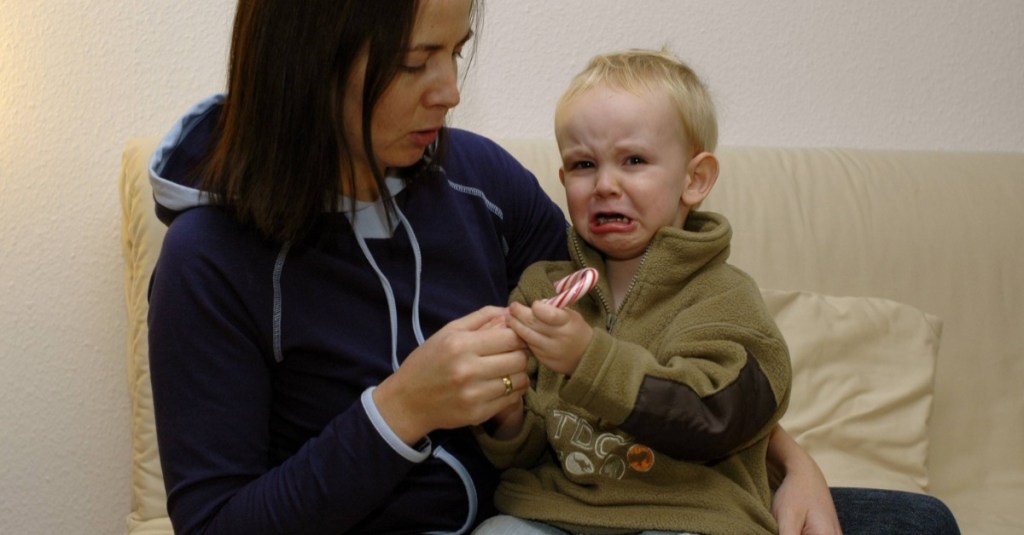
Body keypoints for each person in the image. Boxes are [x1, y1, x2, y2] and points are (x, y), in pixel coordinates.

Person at [145, 1, 958, 534]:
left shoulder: (478, 180)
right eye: (415, 62)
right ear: (311, 62)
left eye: (455, 55)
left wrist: (788, 458)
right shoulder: (210, 261)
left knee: (919, 525)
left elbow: (629, 324)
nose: (449, 94)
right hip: (514, 518)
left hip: (585, 502)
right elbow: (219, 523)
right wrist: (399, 410)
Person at [473, 49, 790, 535]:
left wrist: (588, 360)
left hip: (691, 514)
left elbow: (717, 418)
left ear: (694, 179)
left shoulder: (726, 299)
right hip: (560, 511)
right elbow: (530, 450)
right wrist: (506, 410)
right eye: (582, 165)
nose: (604, 184)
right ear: (563, 180)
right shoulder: (542, 289)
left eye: (634, 160)